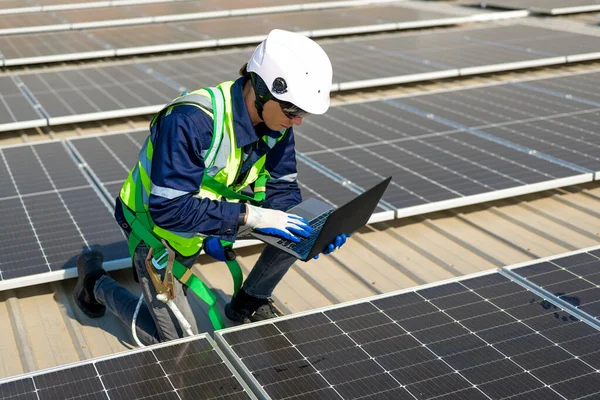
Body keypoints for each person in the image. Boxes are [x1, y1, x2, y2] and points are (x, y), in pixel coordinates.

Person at [73, 29, 349, 345]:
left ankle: (249, 300)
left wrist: (313, 235)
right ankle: (95, 283)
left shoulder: (277, 125)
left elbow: (282, 192)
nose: (298, 121)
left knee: (297, 228)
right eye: (293, 111)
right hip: (155, 228)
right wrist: (253, 218)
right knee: (178, 341)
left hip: (208, 218)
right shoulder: (191, 120)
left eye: (303, 113)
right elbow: (170, 211)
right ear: (260, 89)